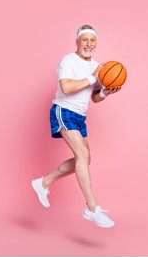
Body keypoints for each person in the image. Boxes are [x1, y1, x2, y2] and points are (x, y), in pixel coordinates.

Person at [32, 24, 121, 228]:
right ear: (77, 42)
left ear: (96, 43)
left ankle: (43, 183)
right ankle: (92, 208)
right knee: (82, 155)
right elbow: (67, 87)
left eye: (92, 40)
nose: (88, 44)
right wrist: (92, 77)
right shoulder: (68, 60)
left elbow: (94, 98)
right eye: (84, 40)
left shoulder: (97, 66)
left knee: (84, 159)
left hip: (80, 116)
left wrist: (107, 92)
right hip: (63, 111)